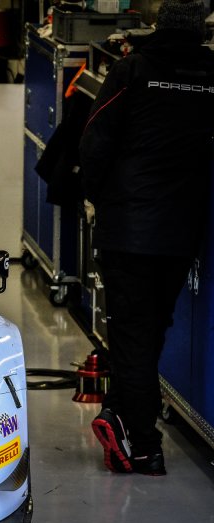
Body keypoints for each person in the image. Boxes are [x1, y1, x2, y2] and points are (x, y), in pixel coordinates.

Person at [80, 0, 214, 477]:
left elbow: (94, 140)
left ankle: (144, 445)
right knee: (150, 333)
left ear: (159, 26)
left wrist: (98, 198)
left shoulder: (133, 69)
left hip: (129, 228)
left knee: (132, 337)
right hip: (182, 232)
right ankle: (117, 414)